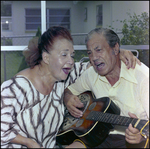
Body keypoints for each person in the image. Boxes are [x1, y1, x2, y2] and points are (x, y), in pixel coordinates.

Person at [1, 26, 140, 148]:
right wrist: (29, 143)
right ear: (46, 58)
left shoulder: (63, 77)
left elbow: (94, 65)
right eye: (64, 55)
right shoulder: (15, 88)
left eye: (72, 56)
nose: (71, 61)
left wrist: (118, 53)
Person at [63, 28, 149, 148]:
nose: (93, 57)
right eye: (89, 53)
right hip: (98, 135)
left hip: (131, 141)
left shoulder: (143, 77)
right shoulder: (91, 74)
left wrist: (143, 135)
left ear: (115, 48)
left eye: (99, 50)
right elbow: (68, 91)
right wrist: (68, 99)